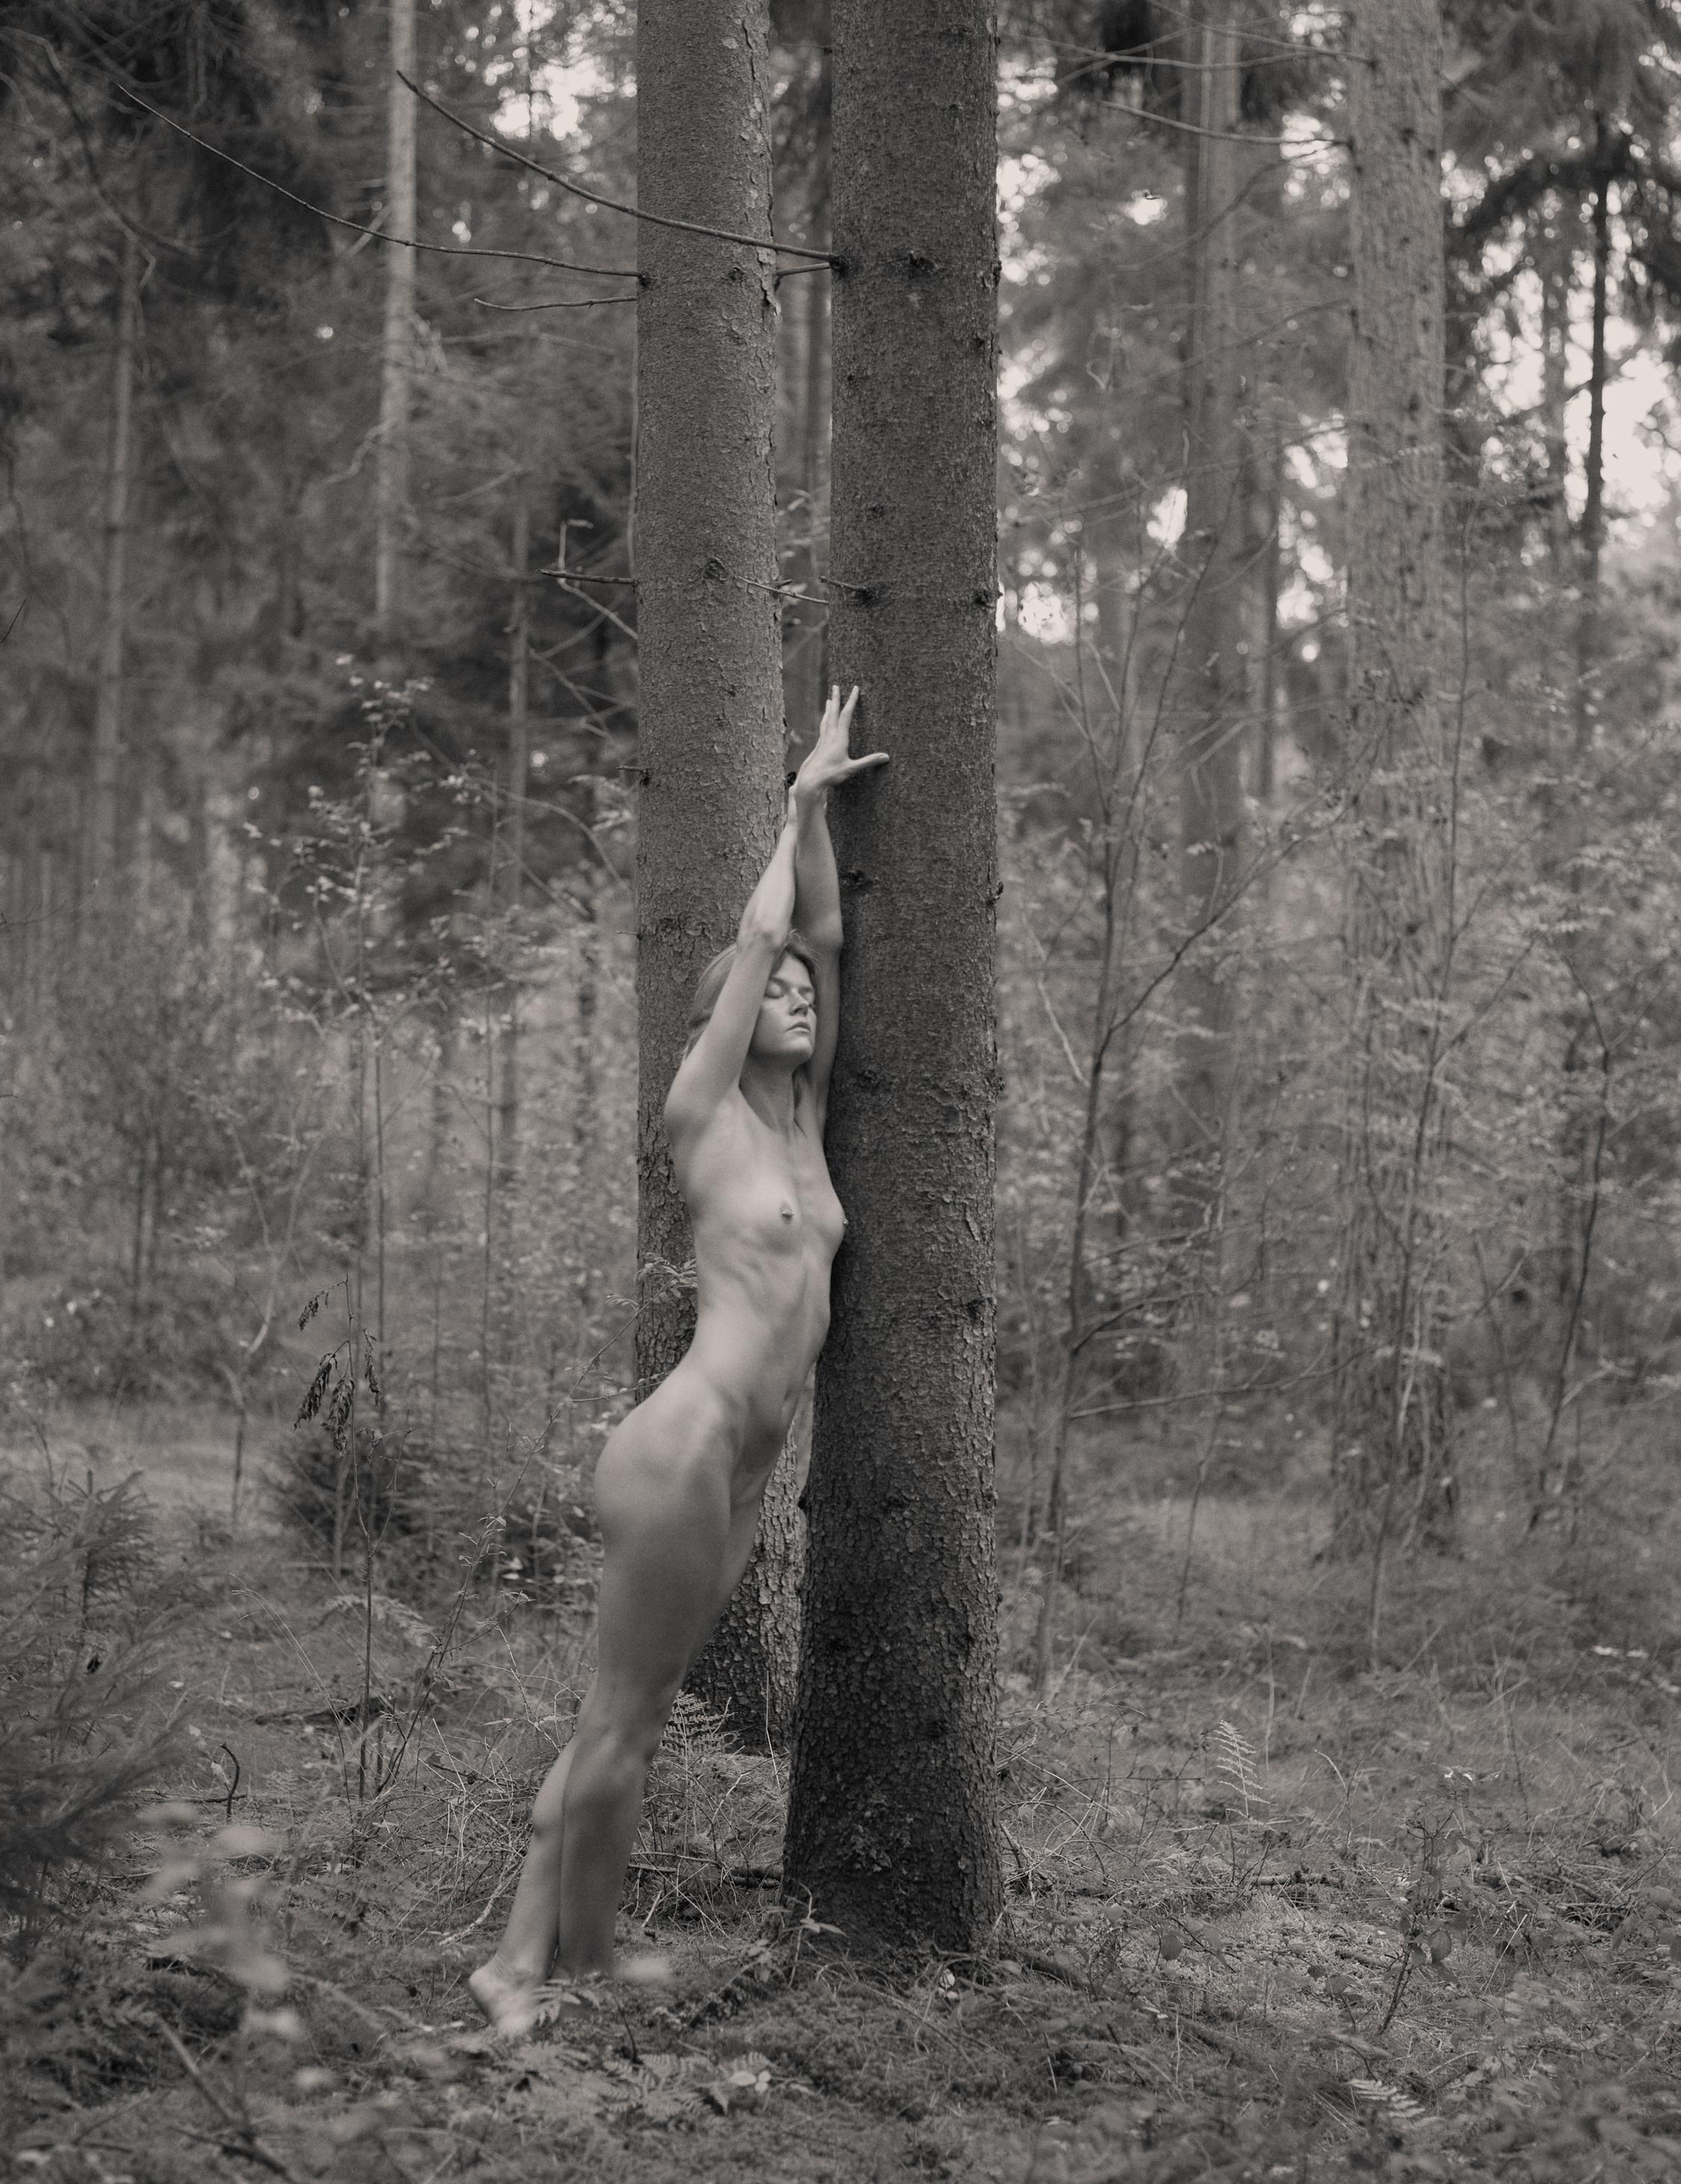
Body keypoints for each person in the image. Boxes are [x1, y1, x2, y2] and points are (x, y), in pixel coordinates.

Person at [469, 686, 887, 2029]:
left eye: (804, 996)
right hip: (683, 1443)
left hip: (745, 1466)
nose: (797, 997)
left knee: (633, 1723)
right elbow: (767, 931)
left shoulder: (804, 1127)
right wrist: (794, 800)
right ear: (726, 1014)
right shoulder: (702, 1113)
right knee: (616, 1723)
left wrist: (819, 838)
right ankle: (523, 1970)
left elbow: (818, 934)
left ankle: (566, 1960)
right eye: (773, 994)